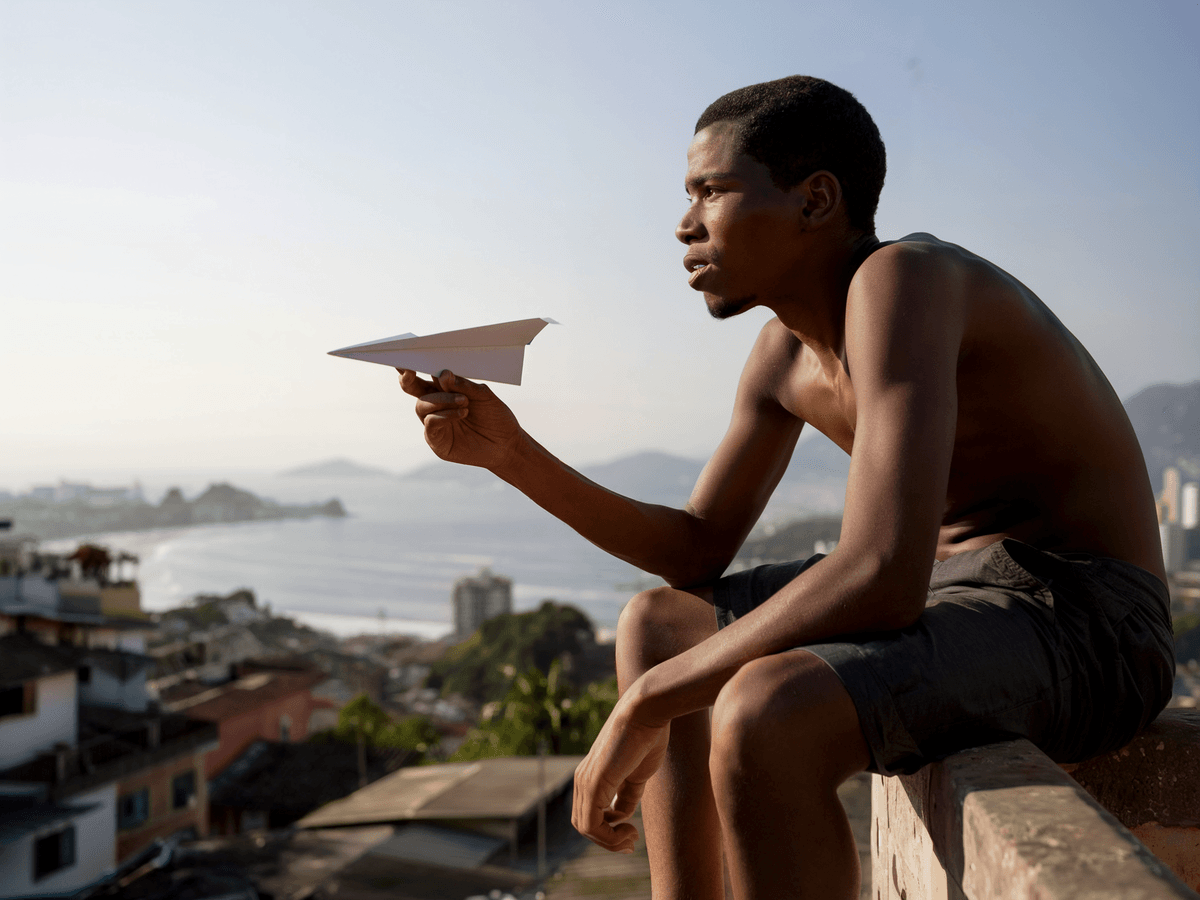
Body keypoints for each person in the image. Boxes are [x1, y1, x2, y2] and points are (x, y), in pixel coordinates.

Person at [398, 75, 1173, 899]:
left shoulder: (905, 280)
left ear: (816, 200)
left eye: (712, 191)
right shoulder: (782, 356)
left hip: (1087, 619)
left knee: (766, 708)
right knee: (658, 626)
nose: (684, 224)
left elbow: (881, 572)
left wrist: (644, 706)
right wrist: (510, 453)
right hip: (961, 596)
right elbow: (696, 547)